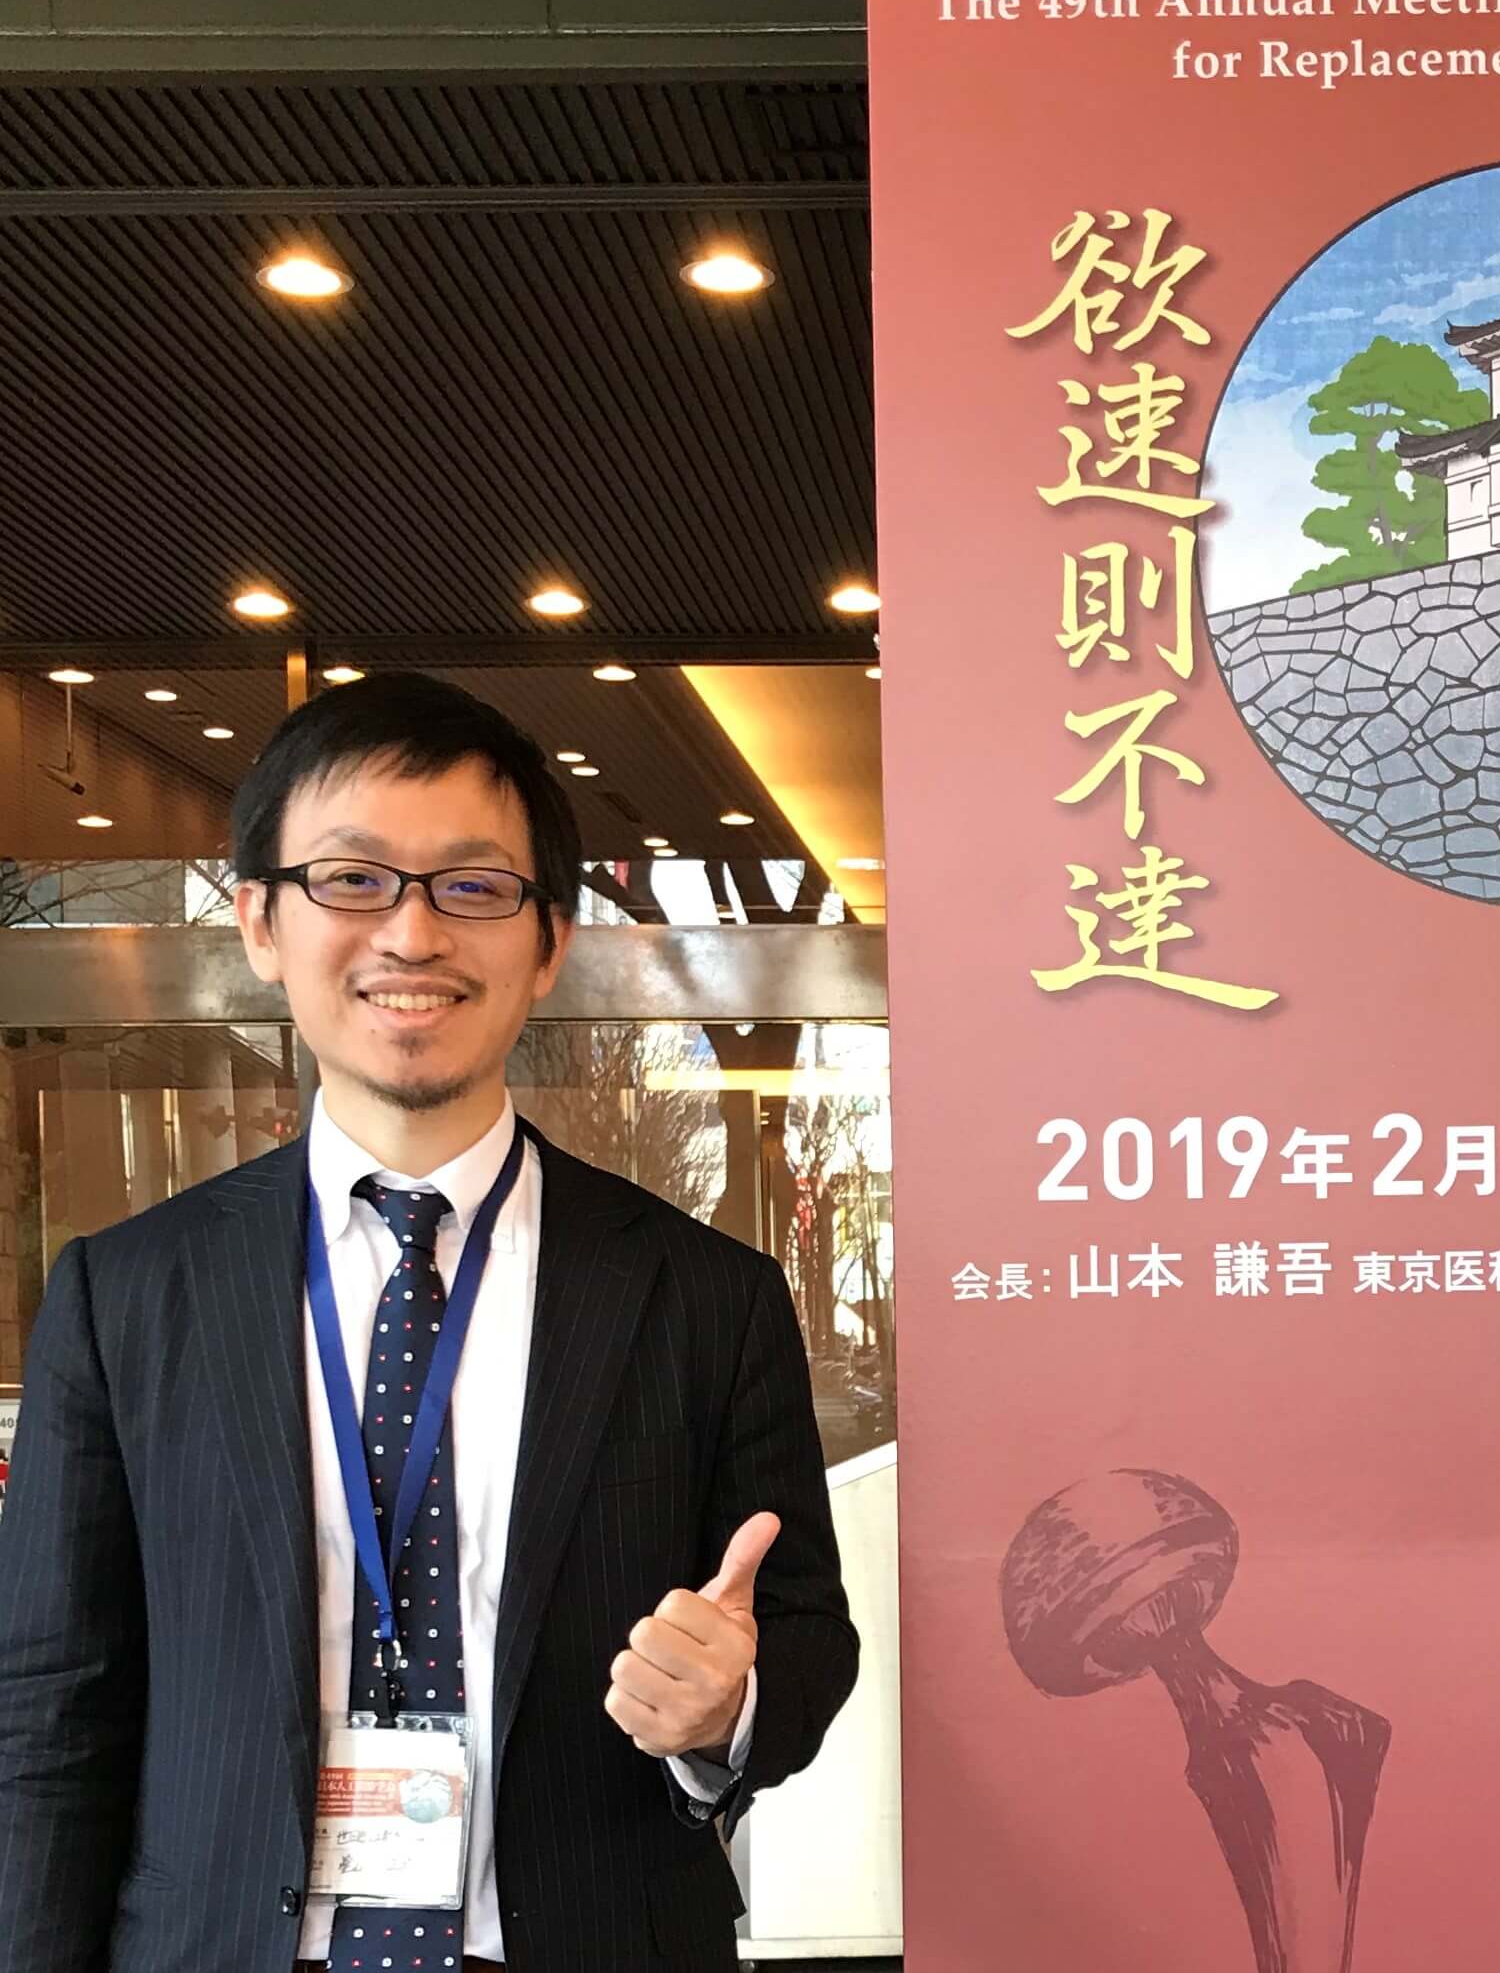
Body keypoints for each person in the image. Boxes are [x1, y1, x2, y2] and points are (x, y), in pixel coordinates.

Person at [0, 673, 858, 1972]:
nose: (411, 933)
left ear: (548, 939)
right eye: (352, 879)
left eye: (472, 885)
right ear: (259, 920)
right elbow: (52, 1710)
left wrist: (729, 1707)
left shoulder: (703, 1293)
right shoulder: (124, 1295)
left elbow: (803, 1632)